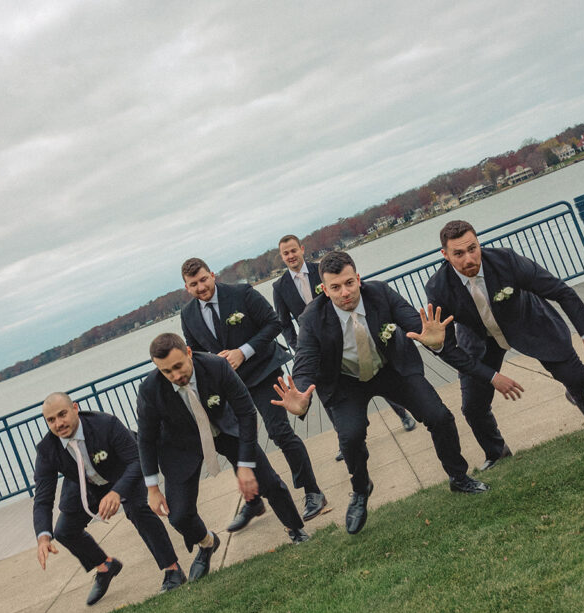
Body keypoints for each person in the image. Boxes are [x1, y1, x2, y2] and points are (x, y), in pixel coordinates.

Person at [272, 251, 488, 535]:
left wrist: (432, 339)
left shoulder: (380, 293)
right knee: (350, 437)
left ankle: (458, 476)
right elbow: (305, 361)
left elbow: (416, 323)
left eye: (349, 283)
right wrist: (301, 394)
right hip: (344, 380)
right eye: (335, 287)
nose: (345, 292)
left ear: (358, 278)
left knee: (440, 416)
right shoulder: (311, 318)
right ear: (324, 290)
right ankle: (360, 490)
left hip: (391, 368)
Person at [425, 221, 584, 471]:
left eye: (473, 248)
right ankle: (497, 452)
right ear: (445, 255)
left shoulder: (506, 260)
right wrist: (491, 376)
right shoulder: (438, 288)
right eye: (458, 253)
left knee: (577, 377)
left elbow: (561, 292)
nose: (469, 258)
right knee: (473, 408)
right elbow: (446, 348)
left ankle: (582, 401)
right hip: (478, 339)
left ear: (479, 243)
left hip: (528, 322)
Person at [137, 333, 309, 577]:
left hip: (226, 428)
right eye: (166, 372)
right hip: (181, 444)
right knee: (178, 515)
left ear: (188, 352)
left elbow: (247, 412)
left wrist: (246, 466)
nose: (175, 376)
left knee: (269, 482)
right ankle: (207, 543)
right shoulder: (149, 390)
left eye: (178, 366)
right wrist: (152, 488)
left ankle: (295, 529)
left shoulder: (216, 366)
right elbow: (145, 438)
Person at [180, 258, 326, 529]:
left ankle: (312, 491)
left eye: (203, 279)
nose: (201, 287)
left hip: (262, 372)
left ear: (212, 275)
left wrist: (242, 351)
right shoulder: (187, 315)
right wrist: (212, 364)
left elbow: (272, 324)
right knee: (237, 444)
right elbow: (194, 352)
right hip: (228, 386)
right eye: (193, 284)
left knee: (279, 432)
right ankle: (253, 502)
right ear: (186, 288)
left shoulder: (242, 292)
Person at [33, 393, 184, 605]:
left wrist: (117, 492)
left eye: (62, 414)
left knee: (139, 510)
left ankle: (173, 570)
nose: (59, 423)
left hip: (124, 471)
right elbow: (42, 498)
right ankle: (105, 567)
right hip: (85, 483)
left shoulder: (106, 424)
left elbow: (136, 460)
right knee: (63, 531)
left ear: (75, 408)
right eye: (51, 420)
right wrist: (43, 536)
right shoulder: (47, 449)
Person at [273, 234, 418, 451]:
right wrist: (298, 346)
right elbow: (284, 322)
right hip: (316, 347)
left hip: (347, 332)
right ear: (282, 257)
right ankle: (345, 440)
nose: (291, 256)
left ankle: (402, 414)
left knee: (374, 371)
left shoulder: (322, 270)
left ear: (302, 249)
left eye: (294, 250)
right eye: (286, 253)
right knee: (327, 393)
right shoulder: (279, 286)